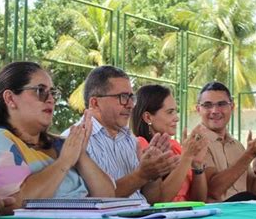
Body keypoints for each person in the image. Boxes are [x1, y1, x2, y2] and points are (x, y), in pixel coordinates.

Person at [0, 61, 115, 211]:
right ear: (10, 98)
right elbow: (16, 203)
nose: (51, 99)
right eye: (40, 91)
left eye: (53, 93)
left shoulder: (62, 145)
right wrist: (64, 162)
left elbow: (107, 197)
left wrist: (80, 155)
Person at [68, 65, 178, 202]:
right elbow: (93, 202)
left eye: (131, 97)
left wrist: (152, 175)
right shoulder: (74, 141)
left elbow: (152, 201)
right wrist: (142, 175)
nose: (131, 105)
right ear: (95, 103)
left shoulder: (129, 139)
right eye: (123, 97)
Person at [196, 81, 256, 202]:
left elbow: (255, 193)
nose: (215, 110)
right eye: (207, 105)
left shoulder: (237, 145)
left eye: (221, 104)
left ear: (232, 107)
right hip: (218, 216)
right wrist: (249, 155)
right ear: (198, 109)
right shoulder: (196, 143)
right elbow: (213, 191)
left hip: (242, 213)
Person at [131, 84, 209, 202]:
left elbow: (199, 201)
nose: (176, 118)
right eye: (170, 112)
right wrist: (187, 157)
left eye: (175, 111)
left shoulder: (175, 146)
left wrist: (197, 165)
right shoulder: (140, 146)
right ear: (148, 117)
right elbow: (159, 201)